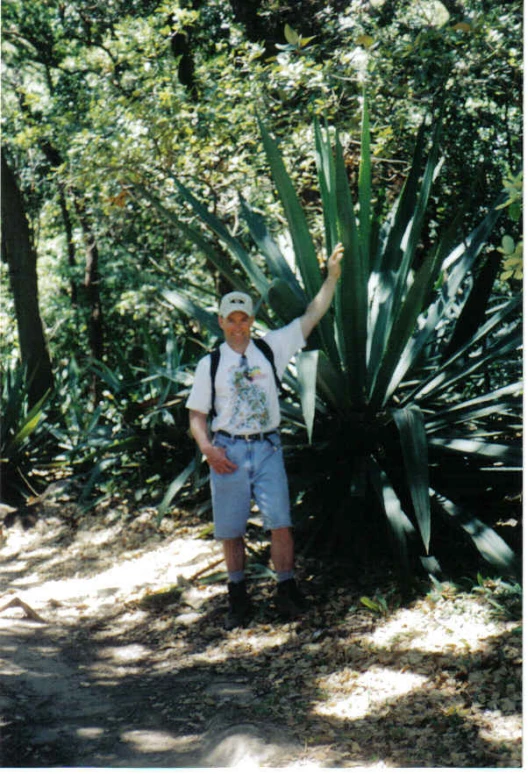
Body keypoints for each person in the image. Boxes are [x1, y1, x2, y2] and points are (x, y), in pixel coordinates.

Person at [186, 242, 344, 628]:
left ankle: (286, 591)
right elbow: (196, 415)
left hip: (268, 447)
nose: (239, 327)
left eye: (244, 319)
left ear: (252, 320)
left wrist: (333, 278)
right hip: (228, 452)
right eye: (231, 320)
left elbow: (312, 315)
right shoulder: (211, 364)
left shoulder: (270, 348)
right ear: (221, 322)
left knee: (280, 522)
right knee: (230, 529)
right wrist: (208, 449)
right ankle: (237, 597)